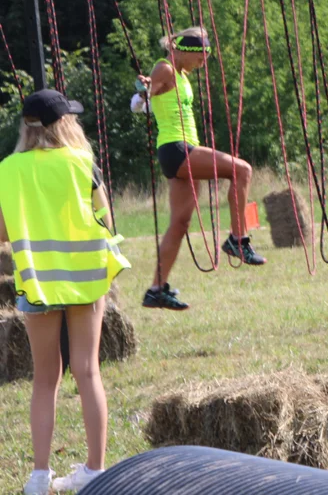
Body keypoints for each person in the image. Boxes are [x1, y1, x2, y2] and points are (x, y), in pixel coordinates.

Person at [0, 89, 130, 494]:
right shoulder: (83, 163)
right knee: (87, 370)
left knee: (44, 378)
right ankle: (94, 469)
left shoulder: (9, 169)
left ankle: (39, 476)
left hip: (38, 282)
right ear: (64, 124)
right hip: (86, 278)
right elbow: (105, 222)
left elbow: (2, 233)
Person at [134, 26, 265, 312]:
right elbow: (146, 93)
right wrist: (144, 90)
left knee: (179, 224)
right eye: (200, 56)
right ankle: (238, 239)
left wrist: (147, 96)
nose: (203, 62)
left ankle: (156, 289)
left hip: (180, 151)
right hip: (177, 148)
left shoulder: (181, 76)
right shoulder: (165, 68)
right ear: (182, 51)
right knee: (242, 170)